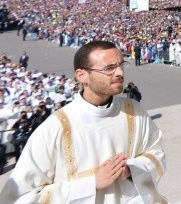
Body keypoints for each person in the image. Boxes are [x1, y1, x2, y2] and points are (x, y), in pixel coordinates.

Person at [0, 40, 166, 203]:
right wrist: (91, 183)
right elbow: (19, 198)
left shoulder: (134, 111)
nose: (120, 73)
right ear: (82, 75)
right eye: (109, 68)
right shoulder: (54, 129)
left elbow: (156, 152)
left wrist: (131, 170)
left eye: (121, 64)